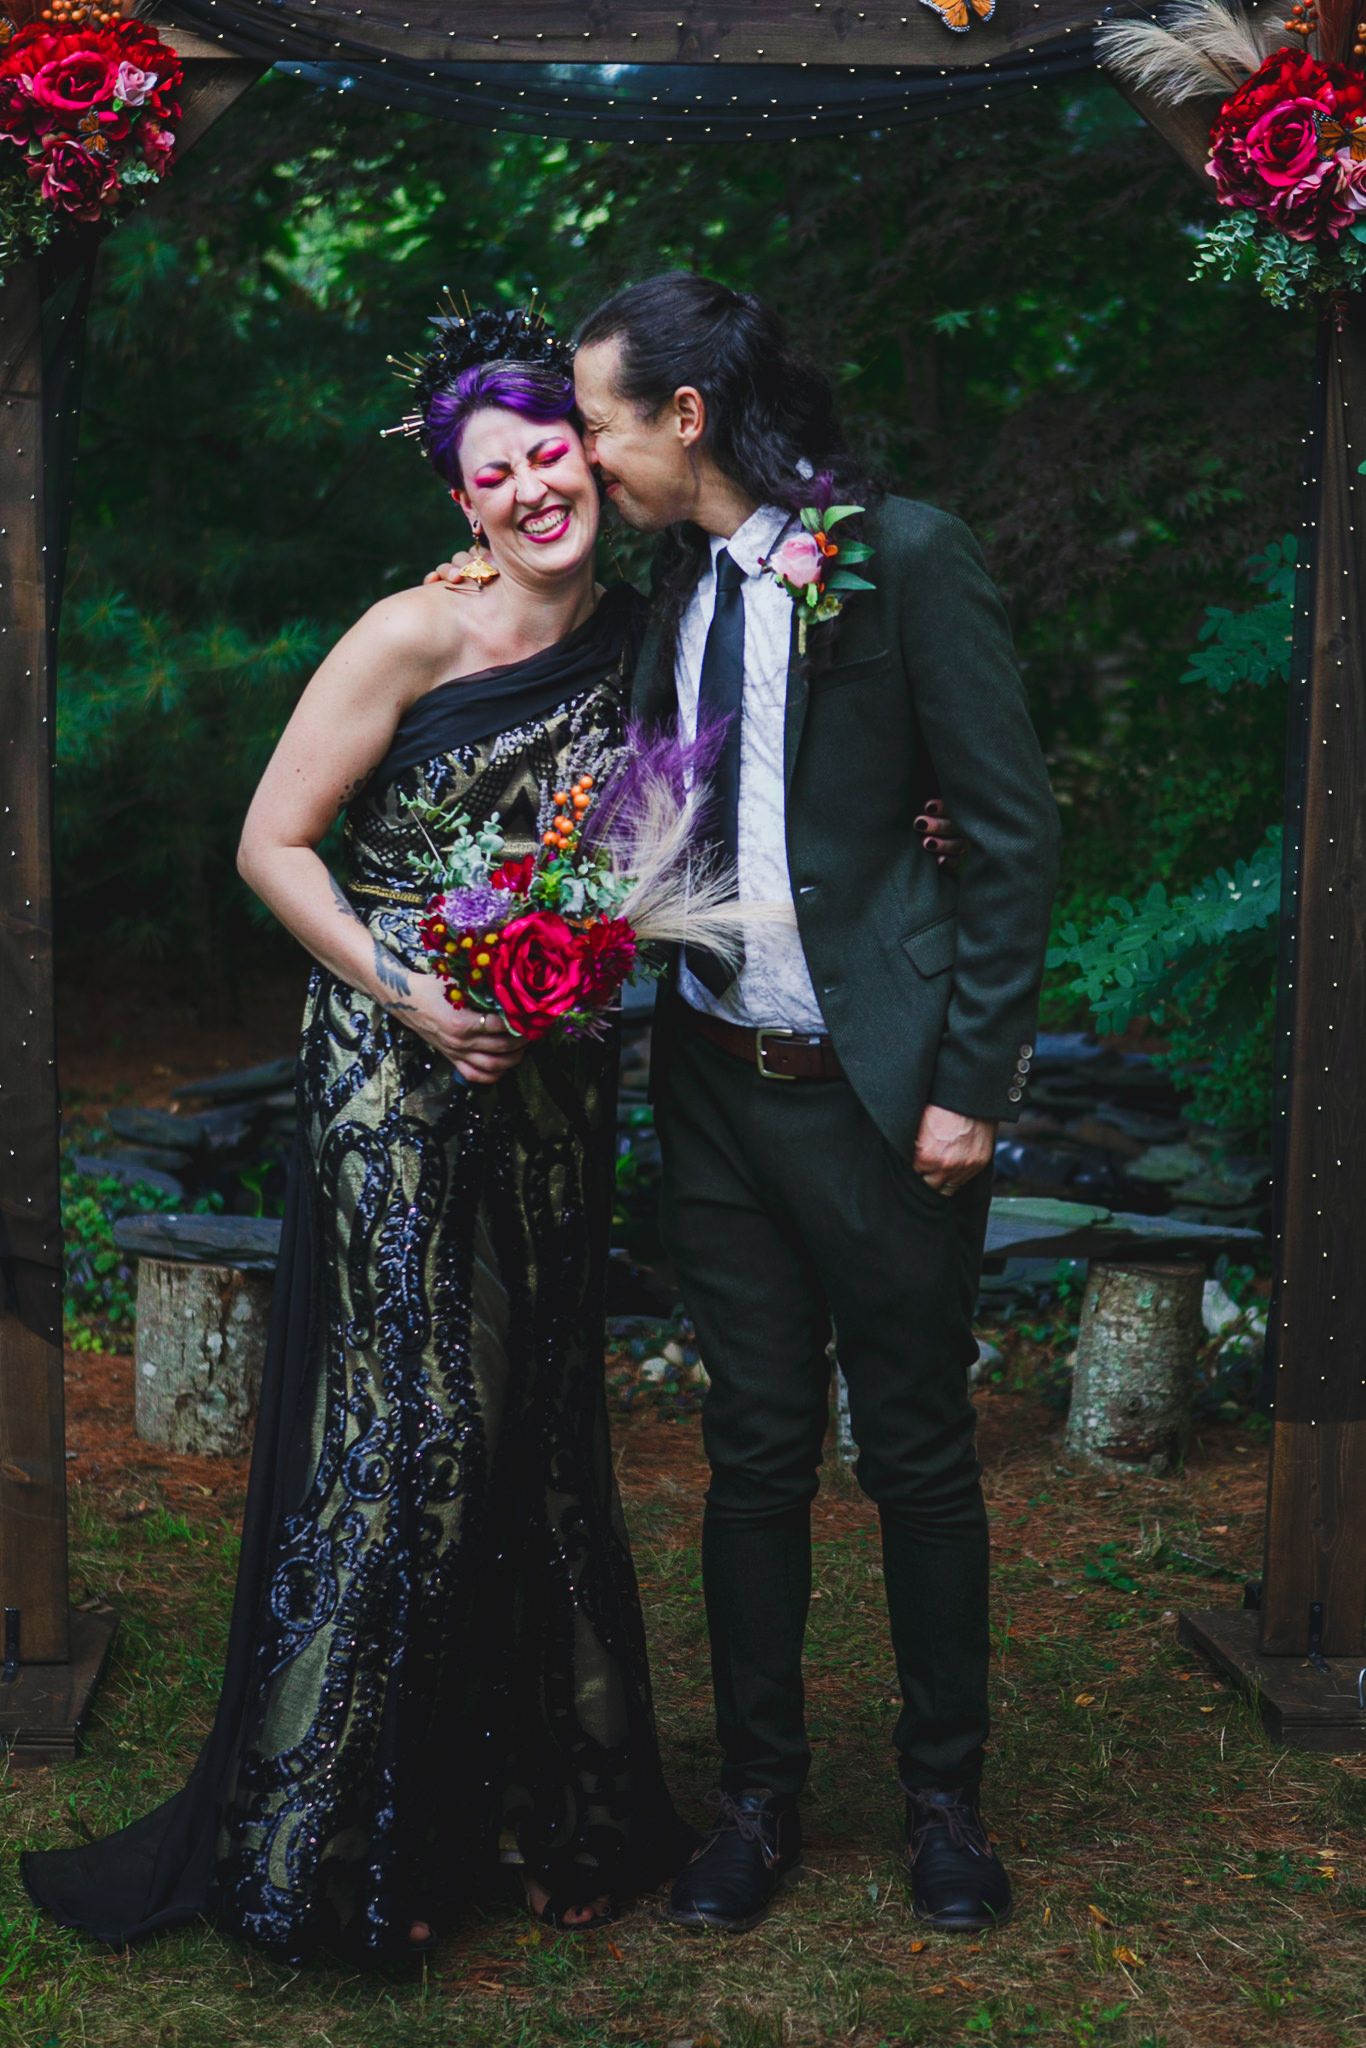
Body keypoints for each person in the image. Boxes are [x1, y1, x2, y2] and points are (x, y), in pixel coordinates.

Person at [22, 308, 696, 1962]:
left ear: (595, 456)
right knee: (422, 1433)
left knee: (537, 1427)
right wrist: (408, 990)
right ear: (458, 508)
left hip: (548, 1071)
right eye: (497, 474)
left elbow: (696, 811)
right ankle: (331, 1843)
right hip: (391, 1068)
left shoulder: (652, 635)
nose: (536, 486)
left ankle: (557, 1810)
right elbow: (271, 843)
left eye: (553, 451)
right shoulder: (411, 632)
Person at [430, 273, 1059, 1936]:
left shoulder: (906, 557)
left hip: (884, 1097)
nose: (580, 451)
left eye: (599, 421)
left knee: (918, 1456)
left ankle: (945, 1804)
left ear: (684, 417)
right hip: (709, 1087)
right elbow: (635, 810)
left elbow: (1007, 836)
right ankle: (756, 1807)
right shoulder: (668, 591)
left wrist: (968, 1087)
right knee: (749, 1456)